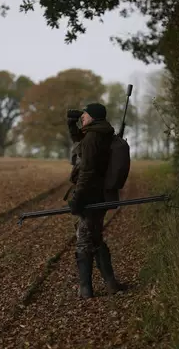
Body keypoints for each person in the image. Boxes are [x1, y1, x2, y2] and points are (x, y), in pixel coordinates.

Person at [66, 103, 125, 299]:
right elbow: (80, 143)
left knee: (84, 239)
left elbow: (87, 170)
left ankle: (86, 290)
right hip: (101, 194)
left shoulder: (93, 137)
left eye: (85, 114)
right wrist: (71, 124)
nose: (82, 116)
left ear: (93, 117)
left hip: (91, 195)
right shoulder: (100, 132)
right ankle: (111, 284)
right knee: (95, 236)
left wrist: (78, 198)